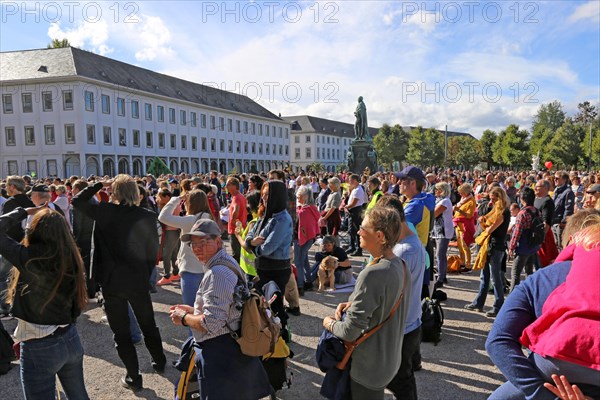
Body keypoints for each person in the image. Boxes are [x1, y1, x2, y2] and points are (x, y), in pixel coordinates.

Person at [486, 211, 600, 400]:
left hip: (549, 373)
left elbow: (498, 341)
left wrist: (542, 395)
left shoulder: (543, 278)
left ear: (569, 242)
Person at [72, 175, 166, 391]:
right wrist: (144, 273)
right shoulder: (147, 215)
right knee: (148, 323)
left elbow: (77, 201)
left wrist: (96, 185)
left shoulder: (106, 211)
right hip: (137, 279)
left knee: (121, 332)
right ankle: (159, 361)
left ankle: (134, 375)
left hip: (112, 280)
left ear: (114, 192)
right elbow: (153, 252)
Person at [169, 219, 272, 400]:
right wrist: (195, 310)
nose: (197, 248)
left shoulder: (218, 274)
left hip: (221, 353)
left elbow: (211, 324)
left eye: (203, 242)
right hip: (230, 348)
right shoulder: (223, 262)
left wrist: (184, 317)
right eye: (193, 243)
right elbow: (222, 309)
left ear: (218, 241)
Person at [0, 205, 90, 399]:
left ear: (34, 231)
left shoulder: (28, 257)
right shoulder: (71, 255)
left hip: (39, 343)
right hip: (70, 335)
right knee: (79, 395)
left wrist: (23, 211)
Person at [322, 207, 410, 399]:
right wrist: (352, 304)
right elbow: (383, 304)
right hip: (388, 359)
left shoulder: (373, 273)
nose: (357, 231)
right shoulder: (400, 265)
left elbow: (349, 332)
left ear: (380, 236)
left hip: (368, 366)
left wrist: (328, 323)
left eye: (362, 228)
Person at [379, 196, 427, 400]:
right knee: (403, 377)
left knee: (400, 379)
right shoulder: (410, 242)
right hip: (411, 319)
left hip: (402, 324)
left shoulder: (404, 251)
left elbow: (388, 291)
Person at [245, 180, 293, 330]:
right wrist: (251, 242)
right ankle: (268, 337)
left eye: (267, 195)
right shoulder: (266, 214)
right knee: (263, 307)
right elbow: (251, 233)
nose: (263, 198)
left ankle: (280, 339)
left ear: (276, 196)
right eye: (263, 195)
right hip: (263, 267)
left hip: (276, 269)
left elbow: (268, 248)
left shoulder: (282, 219)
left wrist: (252, 247)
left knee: (275, 308)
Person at [159, 190, 213, 307]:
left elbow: (163, 217)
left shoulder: (191, 220)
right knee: (206, 309)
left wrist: (176, 199)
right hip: (207, 269)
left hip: (190, 270)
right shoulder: (209, 218)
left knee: (191, 309)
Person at [465, 187, 511, 317]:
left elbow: (491, 229)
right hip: (487, 244)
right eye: (490, 198)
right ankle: (479, 303)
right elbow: (484, 218)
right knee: (484, 276)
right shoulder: (493, 210)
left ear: (500, 198)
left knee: (495, 278)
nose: (491, 201)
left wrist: (483, 222)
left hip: (495, 247)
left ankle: (498, 306)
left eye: (493, 199)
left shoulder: (503, 212)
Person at [0, 176, 34, 317]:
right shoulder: (30, 201)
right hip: (27, 244)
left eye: (7, 186)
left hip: (12, 245)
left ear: (13, 187)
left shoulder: (11, 203)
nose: (6, 189)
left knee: (2, 277)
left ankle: (5, 307)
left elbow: (7, 225)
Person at [508, 187, 542, 292]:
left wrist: (511, 247)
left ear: (522, 199)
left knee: (515, 274)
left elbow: (517, 233)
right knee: (529, 272)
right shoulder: (536, 211)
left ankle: (512, 298)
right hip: (533, 245)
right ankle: (530, 294)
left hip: (523, 247)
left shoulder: (522, 214)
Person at [294, 186, 320, 295]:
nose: (297, 198)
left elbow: (301, 228)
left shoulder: (303, 211)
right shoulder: (312, 208)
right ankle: (308, 281)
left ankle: (300, 286)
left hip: (301, 238)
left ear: (304, 196)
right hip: (310, 238)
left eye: (299, 196)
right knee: (304, 260)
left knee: (298, 261)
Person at [155, 189, 181, 285]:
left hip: (171, 231)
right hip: (174, 231)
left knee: (167, 254)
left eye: (162, 198)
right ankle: (175, 273)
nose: (160, 200)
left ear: (167, 197)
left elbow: (164, 218)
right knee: (174, 253)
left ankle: (167, 276)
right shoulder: (174, 204)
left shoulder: (170, 205)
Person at [432, 182, 454, 289]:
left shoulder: (445, 201)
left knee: (439, 255)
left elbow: (434, 214)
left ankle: (440, 279)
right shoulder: (439, 200)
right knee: (441, 255)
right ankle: (443, 274)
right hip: (438, 230)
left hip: (444, 231)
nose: (436, 191)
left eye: (438, 189)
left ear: (443, 190)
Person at [453, 183, 476, 270]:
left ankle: (468, 265)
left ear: (466, 192)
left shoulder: (471, 201)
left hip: (465, 225)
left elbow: (469, 215)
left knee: (465, 245)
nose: (460, 194)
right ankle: (462, 262)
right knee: (460, 245)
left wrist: (458, 210)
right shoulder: (463, 199)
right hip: (458, 224)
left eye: (461, 192)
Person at [343, 174, 367, 256]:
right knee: (351, 230)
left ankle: (358, 249)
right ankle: (352, 246)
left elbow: (354, 202)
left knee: (355, 230)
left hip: (355, 211)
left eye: (350, 180)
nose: (349, 182)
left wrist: (346, 206)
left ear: (355, 180)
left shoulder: (358, 189)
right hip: (352, 210)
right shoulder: (354, 189)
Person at [552, 171, 575, 251]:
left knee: (561, 245)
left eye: (557, 178)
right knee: (555, 244)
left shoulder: (568, 192)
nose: (554, 180)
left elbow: (568, 209)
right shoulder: (556, 190)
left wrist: (563, 222)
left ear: (564, 180)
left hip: (560, 223)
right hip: (553, 221)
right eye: (554, 178)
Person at [226, 177, 248, 263]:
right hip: (241, 228)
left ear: (234, 186)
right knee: (239, 254)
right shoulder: (241, 196)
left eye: (228, 185)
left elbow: (236, 209)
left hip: (235, 230)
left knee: (236, 255)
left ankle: (237, 274)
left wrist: (232, 220)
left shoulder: (236, 197)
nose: (226, 186)